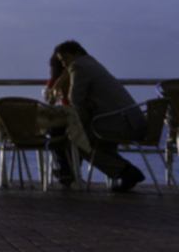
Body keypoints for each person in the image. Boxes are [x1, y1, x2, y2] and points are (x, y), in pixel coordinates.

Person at [55, 40, 146, 192]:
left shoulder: (79, 66)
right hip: (130, 122)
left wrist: (65, 77)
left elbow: (75, 99)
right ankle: (126, 171)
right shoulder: (92, 64)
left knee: (78, 141)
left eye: (65, 59)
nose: (64, 64)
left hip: (120, 123)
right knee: (85, 140)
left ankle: (126, 171)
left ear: (77, 54)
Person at [43, 52, 74, 184]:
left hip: (72, 115)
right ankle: (69, 170)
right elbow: (50, 99)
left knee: (56, 132)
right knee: (59, 133)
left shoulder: (75, 76)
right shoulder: (62, 78)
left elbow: (49, 100)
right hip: (69, 116)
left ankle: (66, 170)